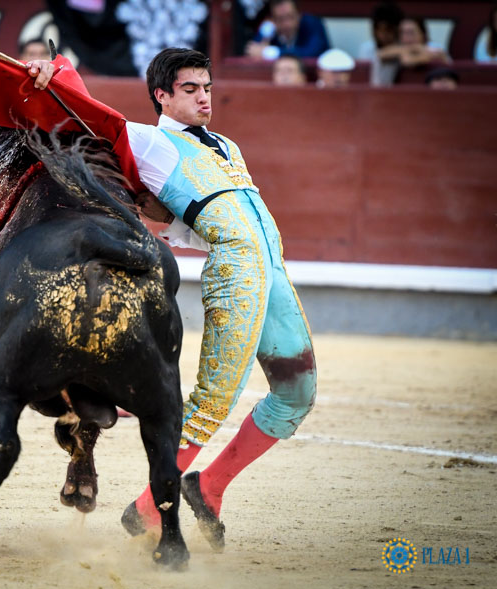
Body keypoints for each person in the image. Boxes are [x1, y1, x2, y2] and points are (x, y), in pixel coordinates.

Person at [28, 49, 317, 550]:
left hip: (272, 268)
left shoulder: (226, 145)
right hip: (237, 269)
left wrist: (175, 224)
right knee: (213, 400)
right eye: (190, 89)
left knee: (297, 392)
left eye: (207, 88)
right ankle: (147, 509)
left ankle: (209, 487)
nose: (204, 98)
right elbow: (85, 114)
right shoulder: (148, 140)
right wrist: (57, 74)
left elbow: (214, 218)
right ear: (161, 95)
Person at [245, 0, 330, 61]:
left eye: (290, 16)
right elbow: (254, 51)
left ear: (299, 15)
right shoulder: (270, 28)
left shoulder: (313, 24)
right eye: (280, 19)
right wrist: (265, 34)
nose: (287, 24)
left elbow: (313, 52)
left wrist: (272, 52)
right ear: (273, 20)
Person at [377, 16, 450, 76]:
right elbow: (380, 54)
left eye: (410, 32)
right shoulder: (397, 49)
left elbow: (445, 60)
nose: (405, 37)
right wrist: (411, 50)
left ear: (423, 34)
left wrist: (419, 53)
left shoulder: (435, 47)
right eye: (402, 33)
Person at [357, 1, 404, 86]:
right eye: (378, 29)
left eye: (388, 30)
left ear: (397, 29)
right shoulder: (367, 48)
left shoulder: (405, 46)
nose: (382, 35)